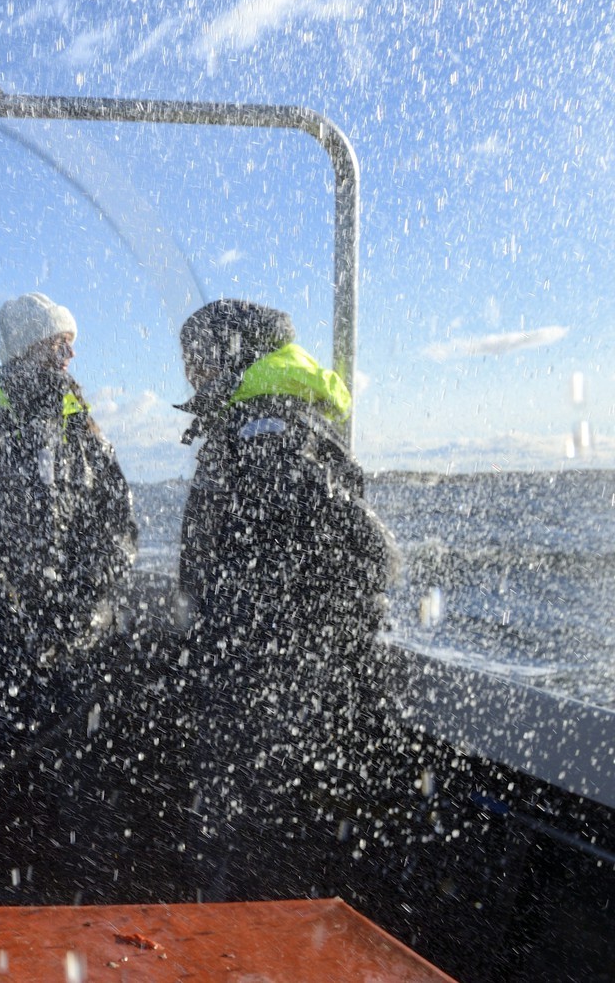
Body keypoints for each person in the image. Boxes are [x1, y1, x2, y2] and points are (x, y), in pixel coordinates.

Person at [174, 298, 398, 899]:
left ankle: (226, 932)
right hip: (254, 678)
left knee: (241, 853)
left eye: (198, 359)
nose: (191, 375)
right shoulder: (254, 423)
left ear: (233, 354)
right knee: (239, 847)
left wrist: (276, 641)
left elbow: (369, 550)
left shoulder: (268, 430)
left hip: (264, 688)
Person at [0, 293, 138, 740]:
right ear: (25, 349)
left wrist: (84, 598)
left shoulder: (84, 431)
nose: (70, 354)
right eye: (58, 343)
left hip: (75, 646)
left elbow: (118, 525)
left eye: (71, 343)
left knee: (72, 767)